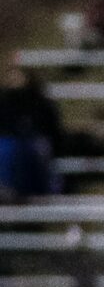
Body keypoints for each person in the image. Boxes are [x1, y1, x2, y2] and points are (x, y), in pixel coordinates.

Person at [0, 54, 60, 198]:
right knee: (7, 149)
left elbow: (53, 131)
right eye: (12, 75)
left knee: (28, 149)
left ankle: (36, 188)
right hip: (11, 147)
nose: (14, 79)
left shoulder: (41, 103)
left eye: (18, 75)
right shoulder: (4, 102)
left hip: (34, 148)